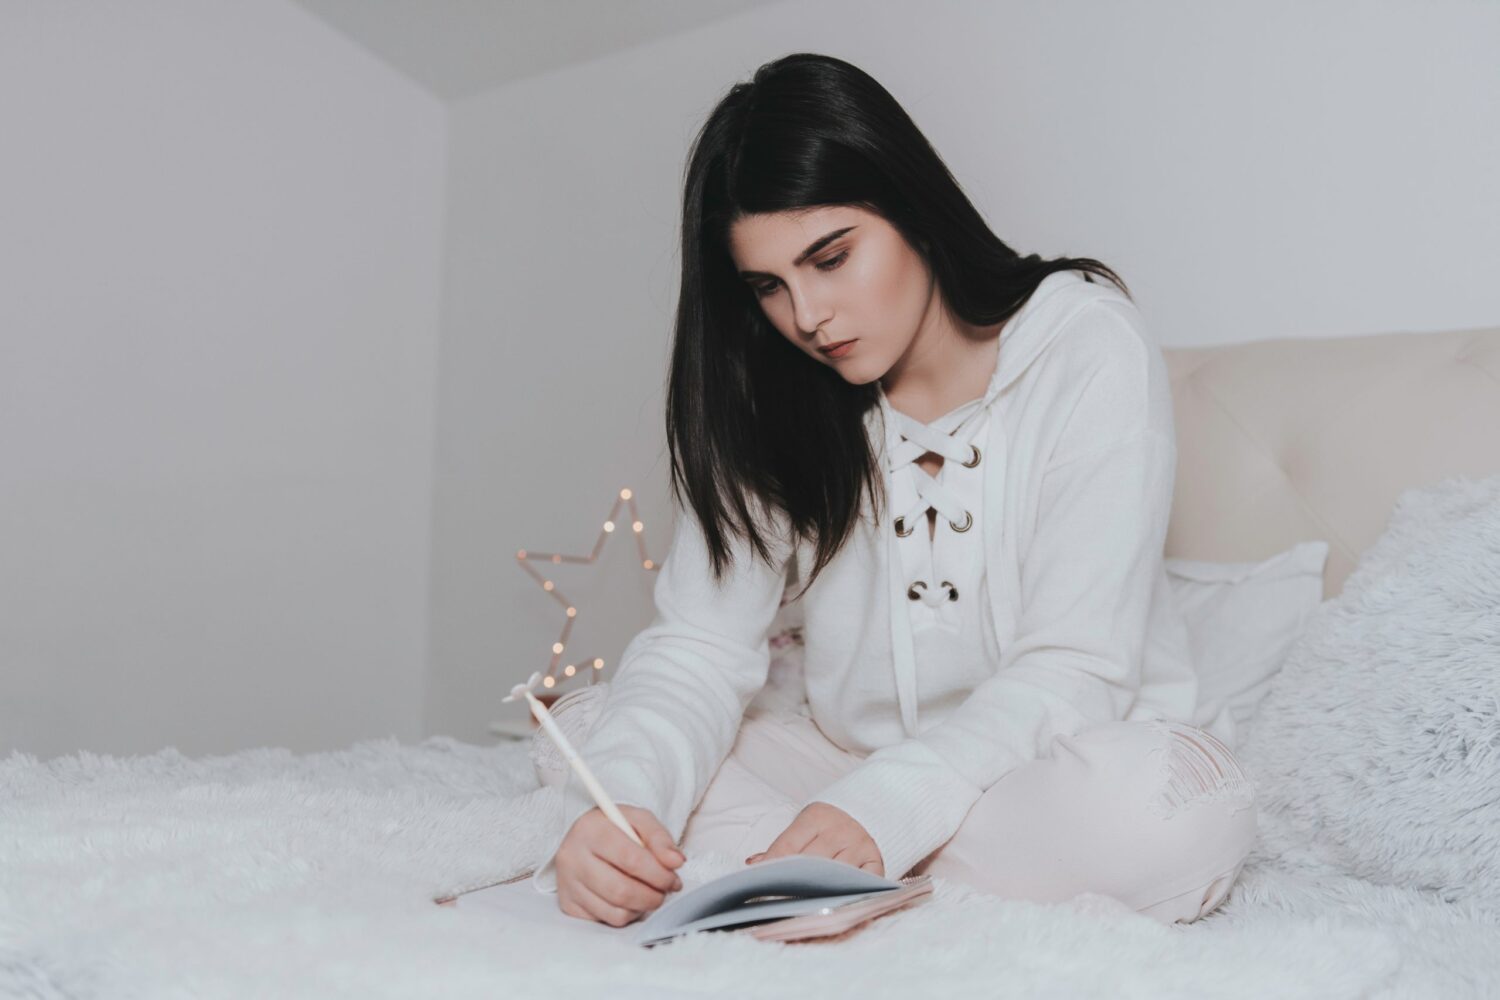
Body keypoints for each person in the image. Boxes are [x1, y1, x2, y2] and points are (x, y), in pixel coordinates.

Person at [525, 52, 1256, 929]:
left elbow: (1077, 665)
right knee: (592, 735)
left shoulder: (1084, 342)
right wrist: (625, 807)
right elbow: (699, 647)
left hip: (1054, 768)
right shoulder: (778, 393)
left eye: (830, 258)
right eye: (769, 286)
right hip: (840, 769)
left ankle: (819, 887)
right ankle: (846, 883)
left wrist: (885, 811)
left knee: (1175, 809)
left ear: (910, 203)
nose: (806, 317)